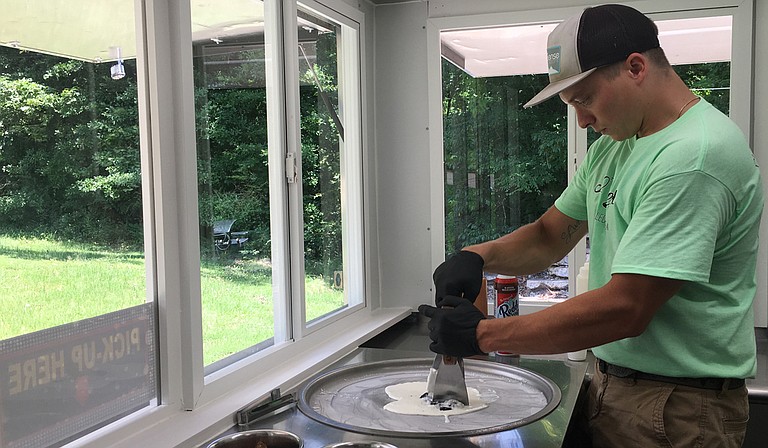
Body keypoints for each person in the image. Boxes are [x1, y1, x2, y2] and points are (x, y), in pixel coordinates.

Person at [418, 4, 763, 447]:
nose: (581, 119)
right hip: (616, 386)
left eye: (584, 98)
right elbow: (549, 236)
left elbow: (628, 307)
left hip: (676, 408)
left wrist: (482, 333)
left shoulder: (693, 157)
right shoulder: (617, 146)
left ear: (635, 67)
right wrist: (478, 256)